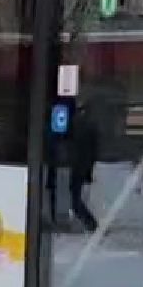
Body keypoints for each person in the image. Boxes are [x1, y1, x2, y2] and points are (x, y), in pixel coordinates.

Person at [65, 99, 100, 233]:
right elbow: (93, 151)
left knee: (75, 198)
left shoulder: (78, 125)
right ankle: (88, 223)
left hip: (77, 165)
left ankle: (90, 223)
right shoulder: (90, 127)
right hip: (82, 165)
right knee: (76, 197)